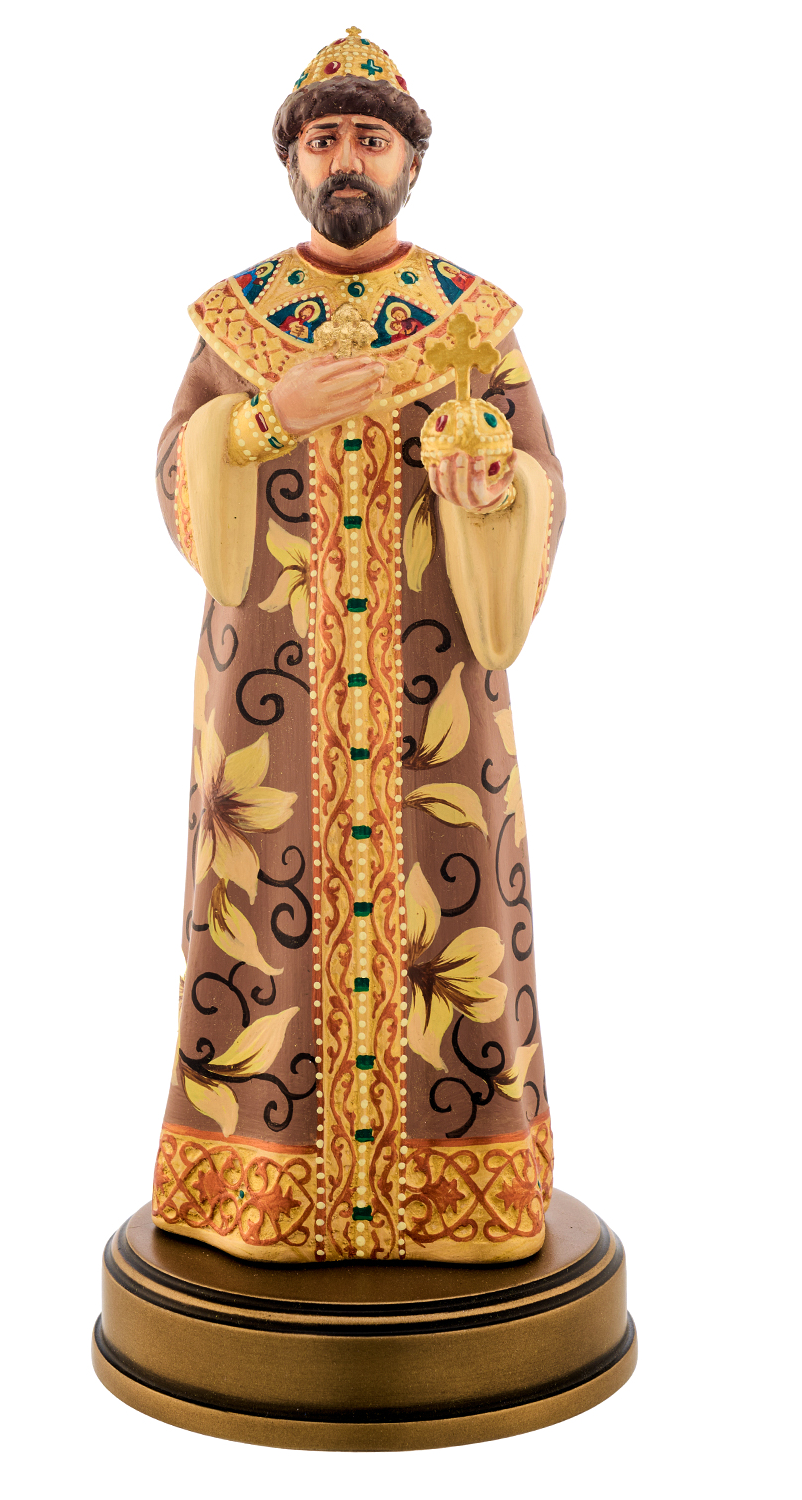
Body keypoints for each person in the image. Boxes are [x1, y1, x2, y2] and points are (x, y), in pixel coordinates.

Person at [151, 28, 565, 1264]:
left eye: (370, 140)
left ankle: (460, 1196)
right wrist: (254, 423)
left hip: (436, 699)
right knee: (264, 924)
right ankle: (259, 1192)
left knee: (455, 916)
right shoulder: (241, 322)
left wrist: (493, 491)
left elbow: (538, 476)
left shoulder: (469, 323)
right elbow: (174, 473)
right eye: (325, 139)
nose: (347, 160)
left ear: (409, 164)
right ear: (292, 161)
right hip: (272, 701)